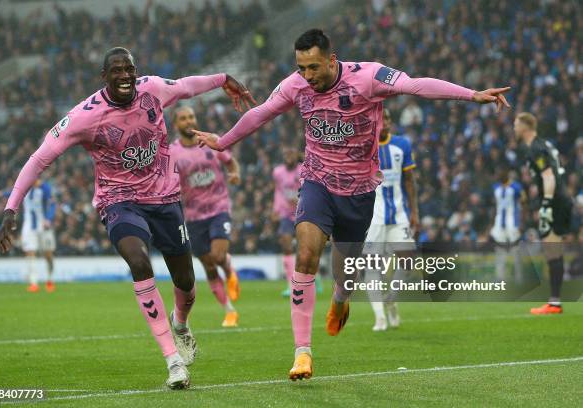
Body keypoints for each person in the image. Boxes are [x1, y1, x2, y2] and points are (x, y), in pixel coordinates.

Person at [193, 29, 510, 380]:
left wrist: (472, 95)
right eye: (301, 67)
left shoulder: (369, 77)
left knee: (346, 273)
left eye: (313, 67)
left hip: (359, 192)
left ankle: (341, 298)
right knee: (307, 254)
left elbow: (417, 85)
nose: (307, 76)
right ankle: (302, 352)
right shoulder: (295, 85)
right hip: (317, 182)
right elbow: (262, 113)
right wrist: (223, 142)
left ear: (332, 59)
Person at [0, 47, 255, 389]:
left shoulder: (152, 89)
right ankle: (173, 362)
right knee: (139, 261)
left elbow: (186, 85)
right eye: (116, 70)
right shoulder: (84, 116)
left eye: (129, 69)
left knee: (187, 283)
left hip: (165, 197)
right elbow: (40, 158)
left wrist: (223, 79)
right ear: (104, 77)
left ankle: (180, 324)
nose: (125, 75)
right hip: (119, 201)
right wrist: (11, 208)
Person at [170, 106, 241, 328]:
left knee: (218, 256)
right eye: (183, 118)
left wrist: (235, 173)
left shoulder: (211, 141)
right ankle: (229, 311)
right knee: (209, 266)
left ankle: (229, 269)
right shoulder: (172, 152)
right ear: (176, 124)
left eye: (191, 116)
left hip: (219, 208)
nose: (188, 121)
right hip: (192, 216)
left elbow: (230, 161)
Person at [363, 108, 419, 331]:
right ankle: (380, 317)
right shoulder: (365, 147)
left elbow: (409, 180)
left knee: (408, 261)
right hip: (373, 218)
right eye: (379, 119)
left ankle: (391, 298)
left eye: (387, 118)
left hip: (398, 215)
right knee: (372, 266)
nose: (383, 122)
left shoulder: (402, 144)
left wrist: (415, 211)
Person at [513, 112, 573, 314]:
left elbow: (548, 177)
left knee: (552, 249)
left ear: (525, 126)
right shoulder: (543, 144)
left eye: (516, 124)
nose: (514, 128)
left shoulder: (535, 148)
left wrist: (546, 203)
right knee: (554, 249)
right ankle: (554, 301)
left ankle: (554, 303)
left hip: (555, 201)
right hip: (561, 199)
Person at [273, 147, 302, 297]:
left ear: (297, 155)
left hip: (304, 212)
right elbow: (278, 191)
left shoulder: (303, 170)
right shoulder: (278, 172)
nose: (288, 155)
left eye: (291, 152)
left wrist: (300, 199)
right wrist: (276, 209)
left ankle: (312, 280)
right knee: (286, 244)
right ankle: (291, 284)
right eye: (286, 153)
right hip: (286, 214)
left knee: (306, 249)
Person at [20, 179, 57, 292]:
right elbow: (12, 193)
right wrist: (1, 193)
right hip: (29, 227)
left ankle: (50, 279)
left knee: (48, 254)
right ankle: (33, 283)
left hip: (44, 225)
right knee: (30, 252)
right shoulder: (23, 188)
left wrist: (49, 219)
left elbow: (52, 204)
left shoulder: (45, 188)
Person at [490, 168, 525, 283]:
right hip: (500, 222)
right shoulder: (496, 187)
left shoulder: (515, 187)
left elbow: (524, 201)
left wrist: (520, 221)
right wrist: (493, 222)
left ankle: (519, 277)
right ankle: (500, 278)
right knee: (500, 250)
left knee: (516, 250)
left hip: (512, 222)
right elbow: (496, 206)